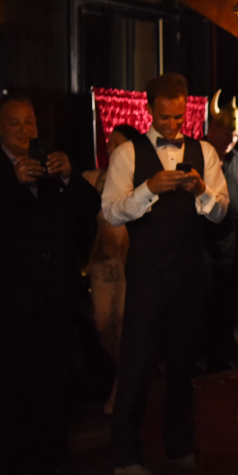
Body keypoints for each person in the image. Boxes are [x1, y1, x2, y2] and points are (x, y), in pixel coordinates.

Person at [0, 95, 100, 475]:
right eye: (15, 123)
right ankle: (15, 461)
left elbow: (90, 210)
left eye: (30, 122)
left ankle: (53, 457)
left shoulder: (54, 168)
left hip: (56, 295)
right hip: (9, 298)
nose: (25, 130)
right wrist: (14, 182)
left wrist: (70, 176)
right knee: (11, 380)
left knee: (54, 379)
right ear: (0, 128)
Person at [102, 73, 228, 475]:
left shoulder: (204, 151)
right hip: (146, 273)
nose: (173, 125)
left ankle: (179, 446)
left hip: (190, 272)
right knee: (136, 361)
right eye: (165, 116)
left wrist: (201, 193)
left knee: (183, 363)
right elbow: (112, 212)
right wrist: (149, 188)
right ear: (150, 110)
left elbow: (221, 212)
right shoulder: (128, 154)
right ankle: (124, 454)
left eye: (179, 117)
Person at [81, 124, 145, 414]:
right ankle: (127, 374)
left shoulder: (142, 180)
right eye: (108, 145)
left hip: (130, 261)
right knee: (102, 323)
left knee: (124, 324)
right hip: (103, 260)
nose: (109, 150)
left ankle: (122, 389)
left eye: (116, 144)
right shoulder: (95, 179)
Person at [202, 91, 238, 372]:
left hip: (229, 246)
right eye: (226, 133)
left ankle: (220, 358)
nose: (230, 140)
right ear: (212, 129)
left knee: (225, 305)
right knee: (199, 304)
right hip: (198, 246)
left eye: (234, 135)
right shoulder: (196, 155)